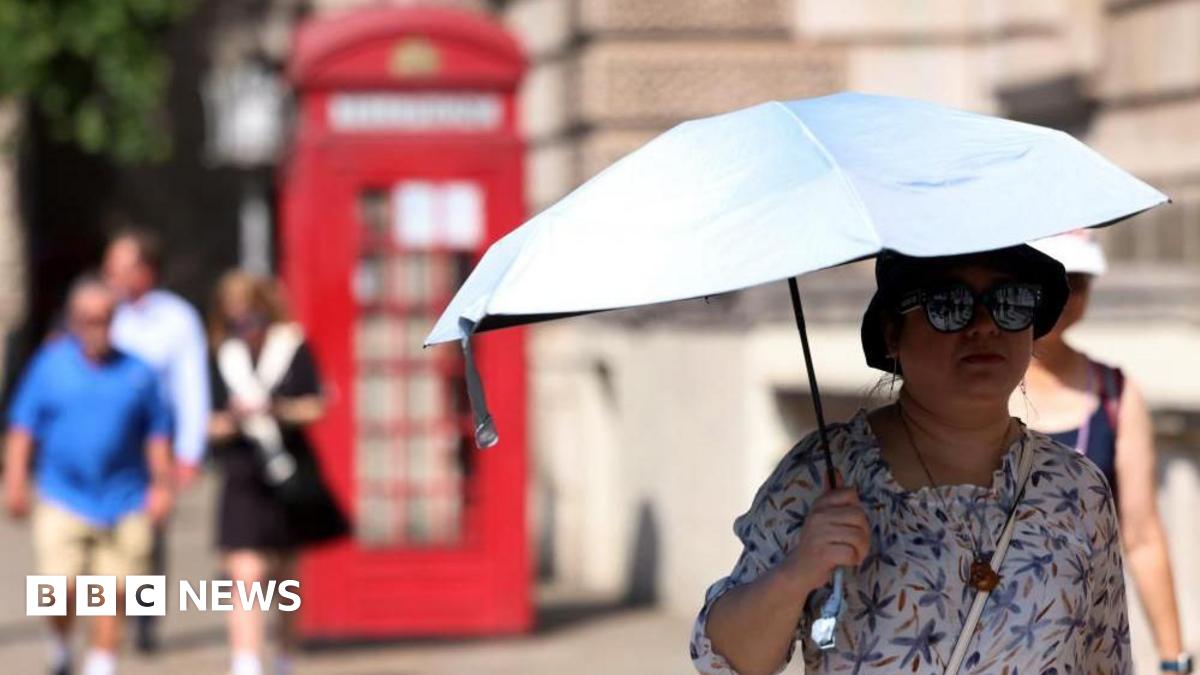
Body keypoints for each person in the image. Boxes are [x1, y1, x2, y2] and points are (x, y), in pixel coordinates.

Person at [691, 245, 1131, 674]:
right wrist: (797, 573)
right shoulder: (827, 473)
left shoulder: (1076, 489)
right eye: (948, 303)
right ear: (892, 332)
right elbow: (729, 661)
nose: (983, 325)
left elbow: (1105, 661)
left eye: (1009, 301)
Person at [1022, 230, 1190, 673]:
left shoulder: (1114, 392)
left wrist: (1175, 659)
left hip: (1089, 645)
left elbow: (1142, 535)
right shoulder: (976, 389)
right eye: (1046, 280)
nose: (1062, 296)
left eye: (1075, 281)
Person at [4, 276, 173, 675]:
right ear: (73, 321)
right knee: (58, 589)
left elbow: (158, 435)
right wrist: (14, 481)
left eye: (105, 319)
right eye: (88, 319)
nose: (97, 328)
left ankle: (102, 662)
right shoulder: (50, 366)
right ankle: (61, 644)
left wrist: (163, 487)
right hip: (63, 494)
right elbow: (23, 428)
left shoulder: (138, 372)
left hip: (124, 496)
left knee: (114, 590)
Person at [206, 271, 347, 675]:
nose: (243, 327)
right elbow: (203, 420)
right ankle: (246, 661)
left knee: (284, 573)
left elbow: (316, 404)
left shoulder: (292, 348)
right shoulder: (222, 355)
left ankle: (284, 654)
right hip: (242, 469)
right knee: (245, 569)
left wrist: (277, 410)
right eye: (235, 318)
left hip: (287, 468)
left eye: (249, 317)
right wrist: (231, 420)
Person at [102, 225, 211, 652]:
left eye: (122, 266)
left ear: (146, 271)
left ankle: (143, 620)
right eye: (109, 265)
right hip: (106, 440)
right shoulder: (97, 310)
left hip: (154, 443)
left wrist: (189, 452)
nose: (112, 274)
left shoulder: (176, 318)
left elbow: (190, 386)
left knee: (148, 534)